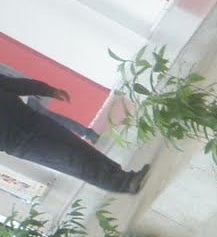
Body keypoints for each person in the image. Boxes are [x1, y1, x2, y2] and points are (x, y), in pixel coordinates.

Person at [0, 75, 147, 195]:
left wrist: (49, 90)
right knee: (70, 159)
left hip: (33, 119)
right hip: (19, 142)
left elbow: (13, 84)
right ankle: (122, 184)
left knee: (79, 148)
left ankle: (124, 176)